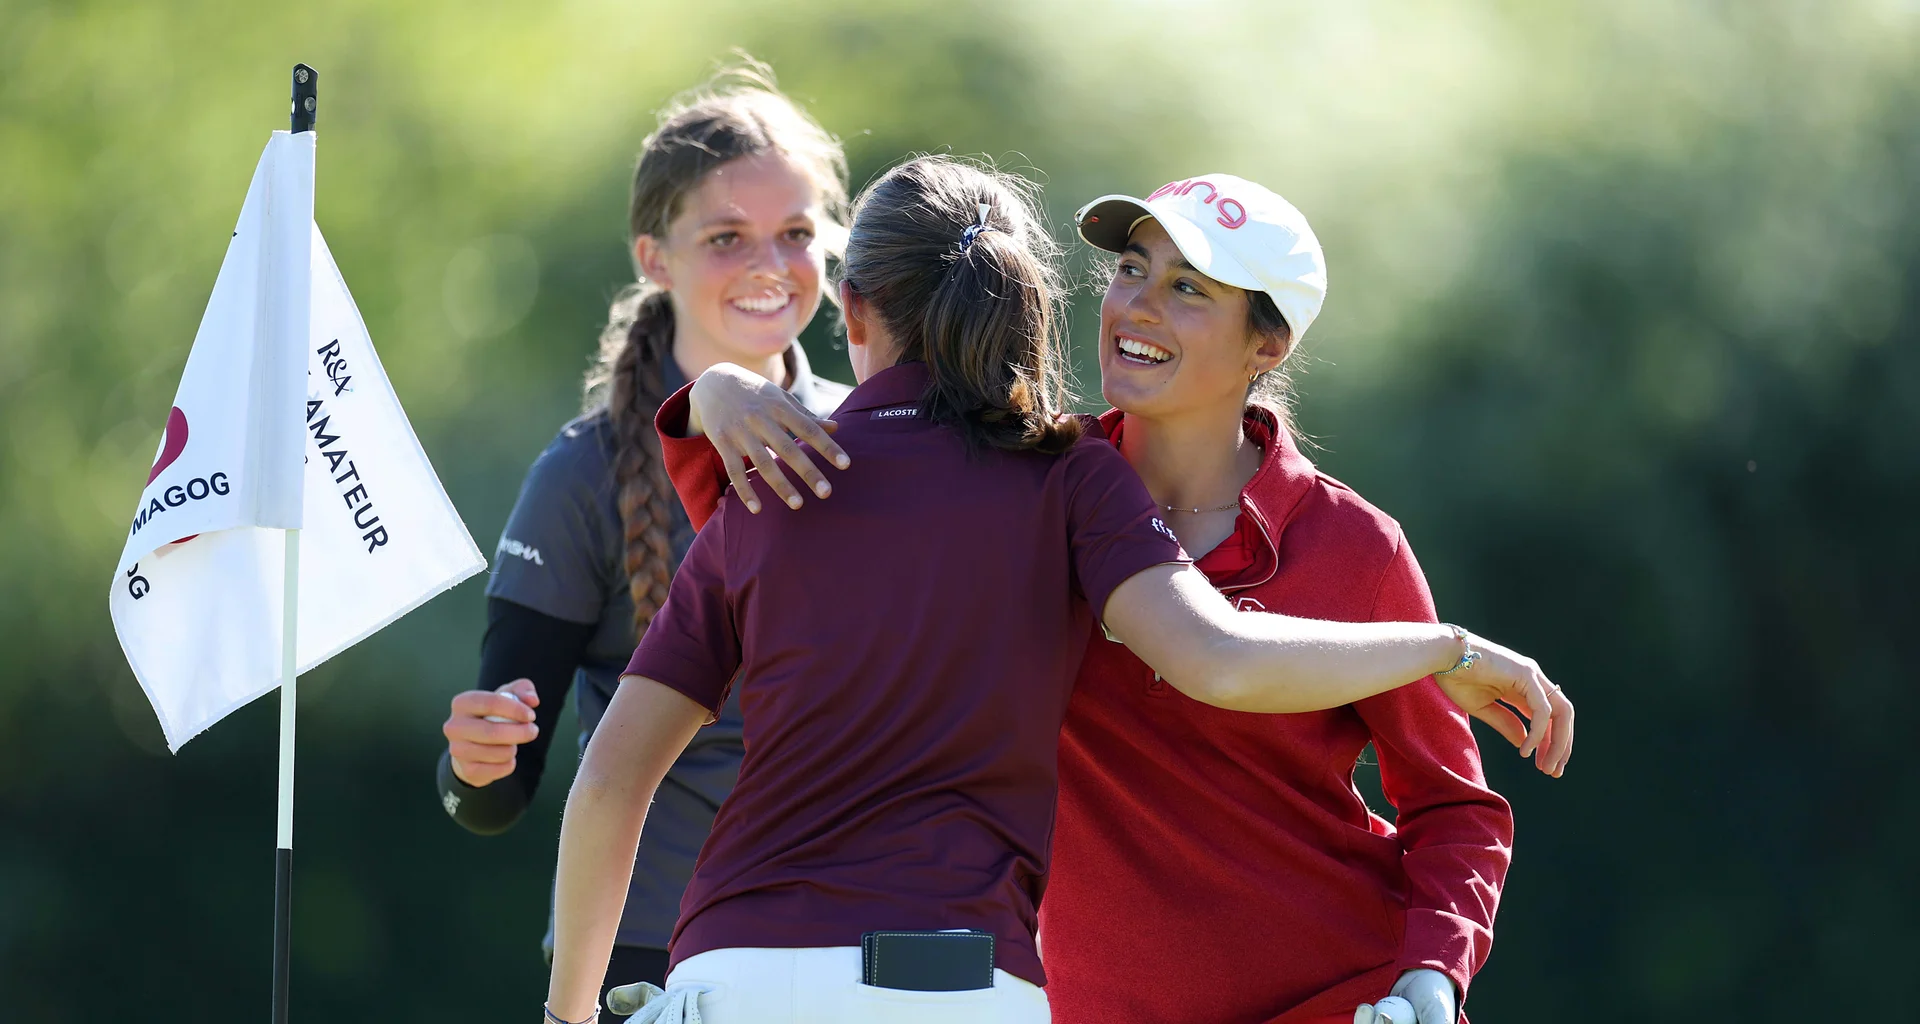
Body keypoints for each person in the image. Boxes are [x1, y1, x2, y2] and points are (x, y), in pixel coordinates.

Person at [540, 155, 1565, 1024]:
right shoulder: (1050, 473)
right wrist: (719, 390)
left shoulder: (1351, 548)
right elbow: (881, 462)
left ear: (1270, 343)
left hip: (1329, 995)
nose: (1138, 304)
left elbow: (1453, 809)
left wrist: (1433, 974)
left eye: (1189, 287)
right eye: (1131, 268)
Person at [430, 61, 852, 1012]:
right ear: (654, 257)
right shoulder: (582, 476)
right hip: (644, 961)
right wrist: (476, 763)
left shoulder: (870, 442)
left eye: (794, 234)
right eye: (725, 238)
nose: (768, 266)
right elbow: (492, 799)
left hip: (839, 944)